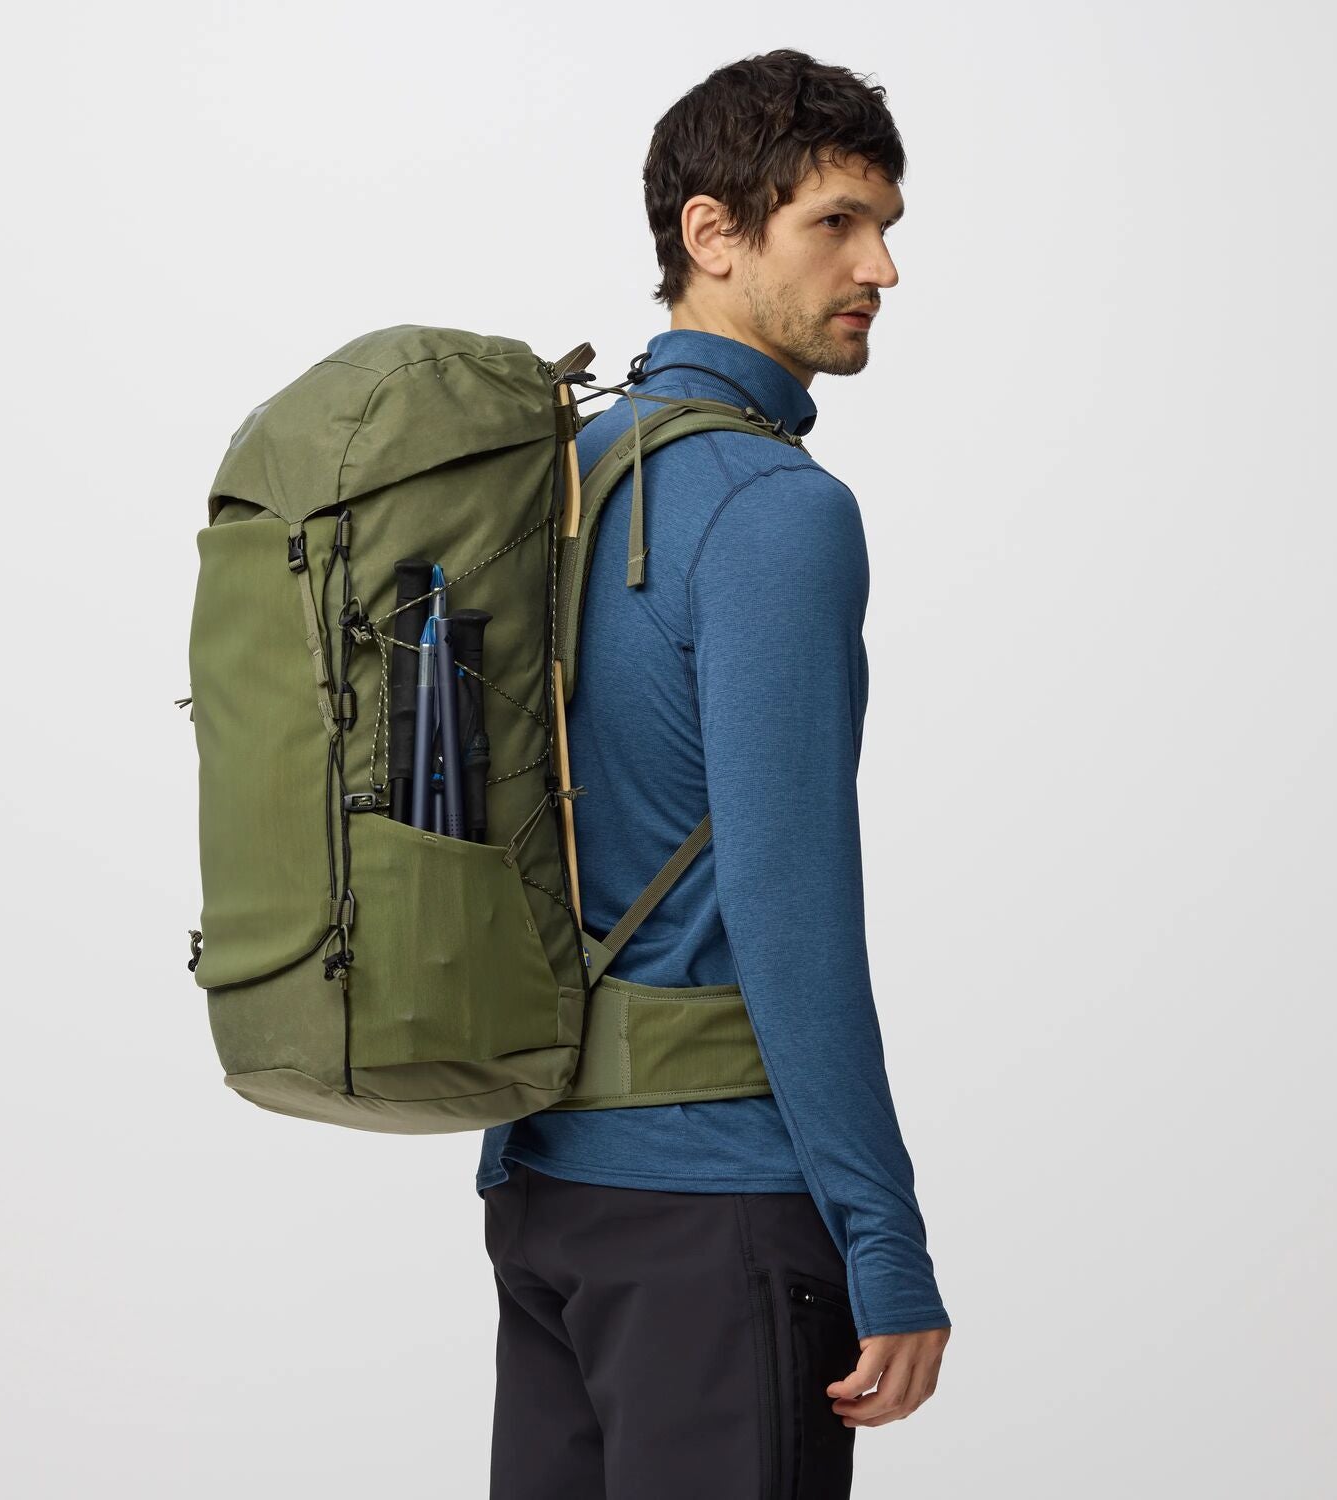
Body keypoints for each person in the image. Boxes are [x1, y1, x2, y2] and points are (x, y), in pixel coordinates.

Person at [476, 48, 951, 1498]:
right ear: (711, 233)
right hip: (721, 1213)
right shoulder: (776, 511)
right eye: (836, 223)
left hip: (544, 1194)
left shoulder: (552, 479)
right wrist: (885, 1236)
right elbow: (790, 900)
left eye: (888, 227)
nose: (879, 264)